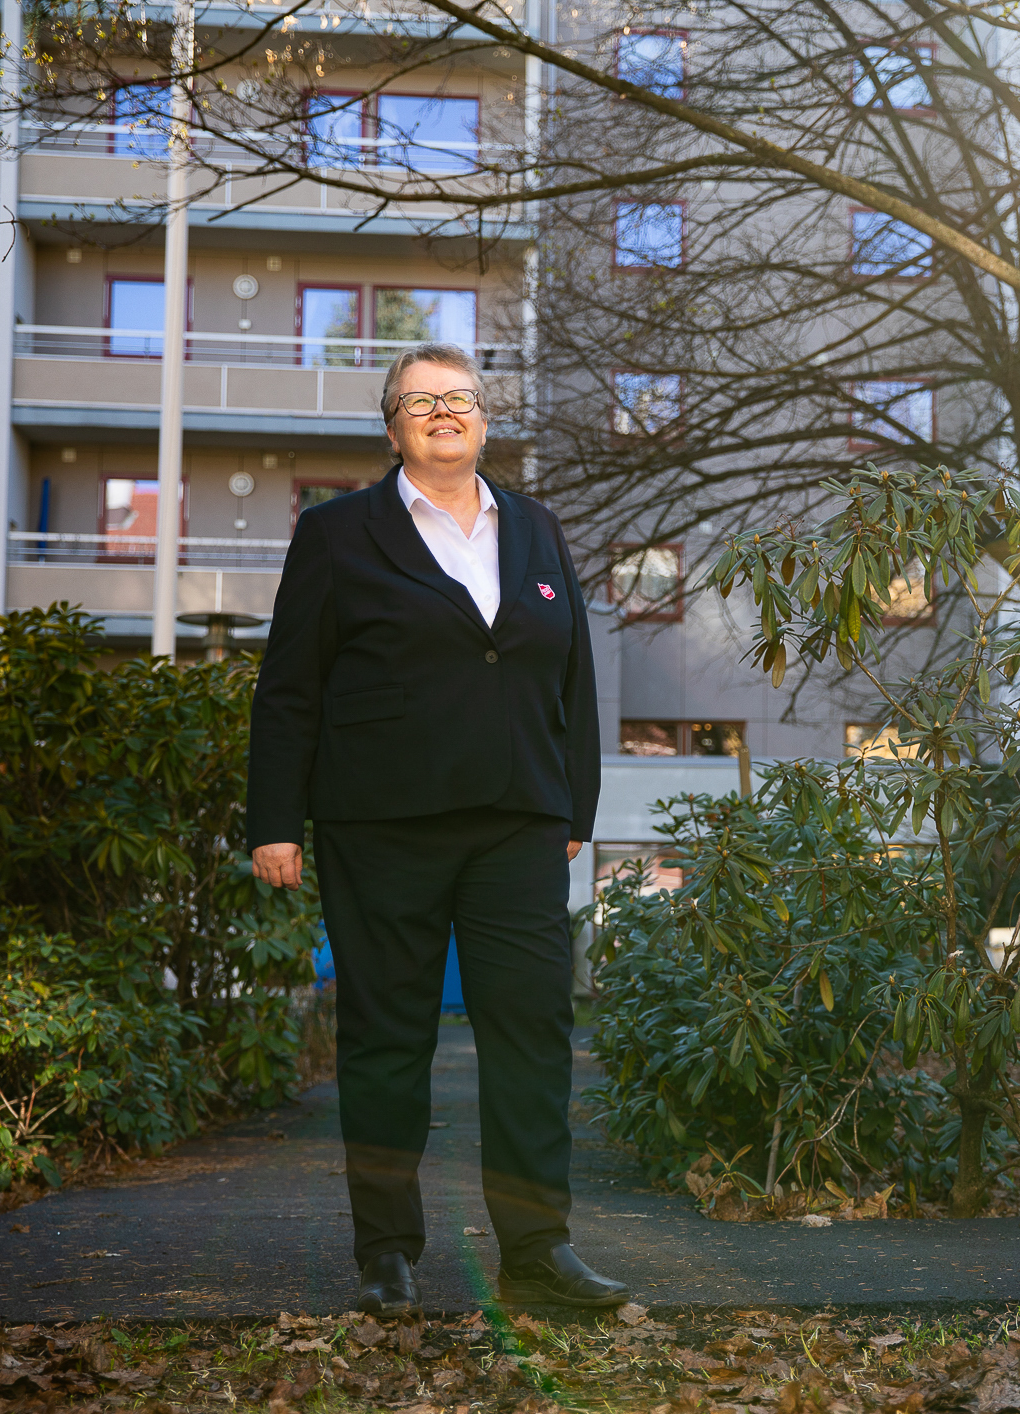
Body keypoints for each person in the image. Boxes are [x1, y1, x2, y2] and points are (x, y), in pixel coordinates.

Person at [246, 342, 628, 1315]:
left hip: (518, 824)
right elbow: (290, 687)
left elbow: (573, 674)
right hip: (382, 822)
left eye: (459, 398)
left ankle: (538, 1248)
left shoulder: (536, 527)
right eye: (421, 401)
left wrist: (573, 805)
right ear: (393, 427)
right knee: (385, 1039)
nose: (444, 412)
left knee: (534, 1034)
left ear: (485, 422)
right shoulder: (337, 533)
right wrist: (274, 820)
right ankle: (387, 1252)